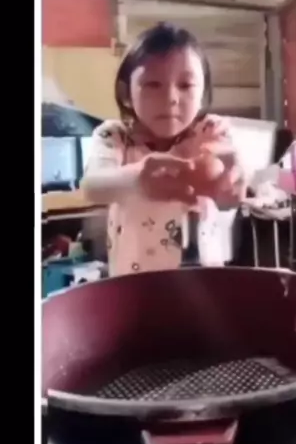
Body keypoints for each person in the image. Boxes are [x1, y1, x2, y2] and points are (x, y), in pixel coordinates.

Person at [81, 22, 246, 275]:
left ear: (203, 93)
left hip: (205, 282)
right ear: (126, 92)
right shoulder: (115, 136)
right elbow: (92, 186)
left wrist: (233, 187)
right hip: (135, 285)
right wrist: (136, 179)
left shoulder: (211, 133)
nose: (170, 98)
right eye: (152, 84)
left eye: (186, 85)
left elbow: (227, 200)